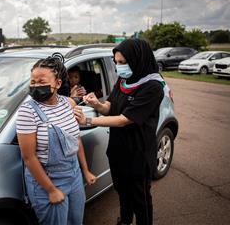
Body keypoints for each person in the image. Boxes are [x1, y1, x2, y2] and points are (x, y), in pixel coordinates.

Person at [74, 39, 165, 225]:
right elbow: (111, 107)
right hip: (118, 149)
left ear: (138, 59)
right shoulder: (124, 80)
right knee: (123, 192)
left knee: (140, 198)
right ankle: (124, 221)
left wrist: (88, 120)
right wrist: (97, 104)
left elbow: (125, 119)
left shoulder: (153, 86)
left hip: (138, 153)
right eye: (116, 62)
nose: (118, 66)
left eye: (123, 62)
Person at [16, 53, 96, 225]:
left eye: (42, 82)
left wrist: (85, 171)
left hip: (73, 175)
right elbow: (29, 157)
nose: (36, 86)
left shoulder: (67, 103)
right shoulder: (27, 111)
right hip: (48, 181)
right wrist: (51, 190)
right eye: (33, 82)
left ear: (58, 83)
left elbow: (75, 140)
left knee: (76, 221)